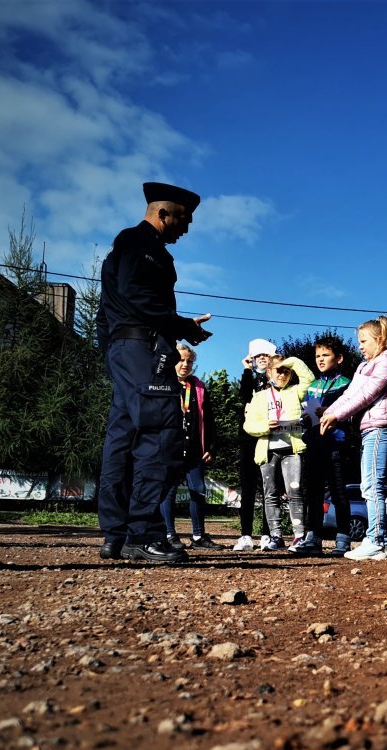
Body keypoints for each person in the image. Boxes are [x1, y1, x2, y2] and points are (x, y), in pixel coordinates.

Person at [97, 181, 211, 565]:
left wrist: (113, 354)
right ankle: (142, 533)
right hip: (141, 349)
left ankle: (116, 535)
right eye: (183, 219)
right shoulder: (140, 245)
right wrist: (181, 327)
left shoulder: (123, 248)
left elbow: (106, 312)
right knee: (162, 430)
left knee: (123, 436)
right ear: (163, 213)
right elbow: (137, 296)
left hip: (126, 350)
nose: (187, 228)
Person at [320, 317, 387, 560]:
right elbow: (352, 393)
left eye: (364, 341)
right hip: (368, 429)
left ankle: (378, 540)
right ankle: (375, 539)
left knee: (372, 486)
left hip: (380, 427)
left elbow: (368, 394)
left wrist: (336, 416)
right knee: (368, 485)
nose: (360, 346)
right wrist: (328, 412)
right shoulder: (365, 366)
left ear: (379, 340)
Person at [243, 355, 316, 551]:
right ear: (268, 373)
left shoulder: (295, 392)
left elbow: (309, 379)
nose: (283, 375)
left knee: (295, 491)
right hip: (268, 451)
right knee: (271, 494)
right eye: (279, 371)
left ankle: (299, 536)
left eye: (286, 371)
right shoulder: (259, 397)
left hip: (292, 449)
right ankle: (275, 536)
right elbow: (248, 425)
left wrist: (290, 361)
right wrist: (264, 426)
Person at [159, 344, 221, 550]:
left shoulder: (199, 387)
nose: (185, 365)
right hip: (170, 448)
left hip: (195, 449)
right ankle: (169, 534)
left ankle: (198, 536)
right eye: (181, 360)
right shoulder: (163, 383)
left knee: (199, 491)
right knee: (169, 491)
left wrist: (210, 447)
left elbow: (209, 420)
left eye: (189, 361)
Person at [296, 337, 353, 556]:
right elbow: (307, 414)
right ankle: (313, 536)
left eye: (325, 355)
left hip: (336, 442)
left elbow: (350, 412)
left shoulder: (346, 383)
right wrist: (305, 418)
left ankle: (343, 537)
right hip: (314, 444)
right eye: (318, 356)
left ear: (339, 358)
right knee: (314, 492)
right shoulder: (312, 386)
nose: (320, 359)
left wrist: (330, 413)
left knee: (339, 492)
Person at [233, 339, 276, 551]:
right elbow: (243, 394)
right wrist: (246, 370)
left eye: (265, 356)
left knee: (269, 488)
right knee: (248, 488)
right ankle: (246, 535)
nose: (262, 360)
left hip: (270, 437)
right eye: (258, 357)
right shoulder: (249, 378)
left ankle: (268, 535)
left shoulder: (276, 379)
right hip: (249, 437)